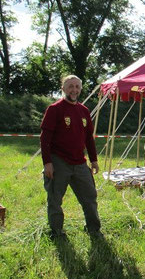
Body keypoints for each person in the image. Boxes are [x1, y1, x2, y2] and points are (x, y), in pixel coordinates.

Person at [40, 75, 101, 239]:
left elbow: (89, 138)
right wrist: (47, 163)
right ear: (63, 89)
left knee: (90, 197)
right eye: (70, 87)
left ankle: (93, 229)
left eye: (77, 87)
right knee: (55, 199)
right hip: (59, 161)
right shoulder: (55, 109)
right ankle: (57, 231)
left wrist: (94, 160)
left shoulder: (84, 111)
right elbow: (45, 138)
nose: (74, 90)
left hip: (80, 162)